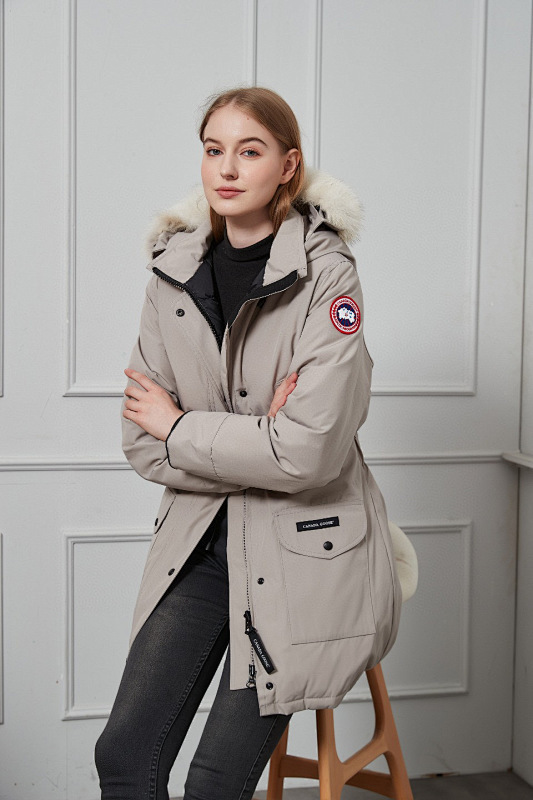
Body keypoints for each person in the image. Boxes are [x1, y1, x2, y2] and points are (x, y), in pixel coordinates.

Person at [94, 85, 402, 800]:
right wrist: (260, 439)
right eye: (214, 150)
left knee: (213, 785)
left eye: (250, 151)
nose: (227, 169)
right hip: (199, 547)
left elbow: (308, 454)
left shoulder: (326, 275)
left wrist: (181, 426)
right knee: (124, 756)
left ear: (288, 166)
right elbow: (141, 443)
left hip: (301, 559)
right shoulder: (171, 273)